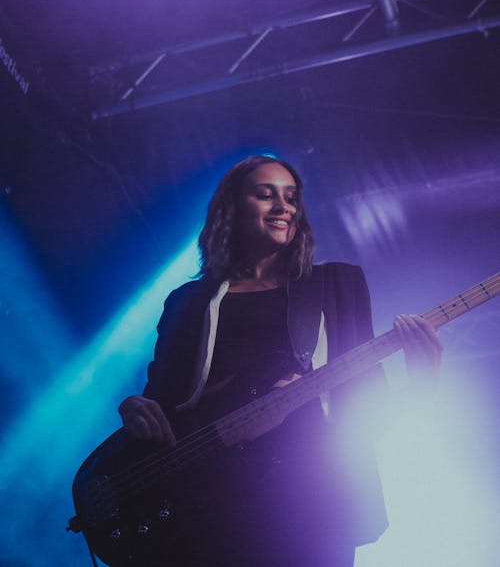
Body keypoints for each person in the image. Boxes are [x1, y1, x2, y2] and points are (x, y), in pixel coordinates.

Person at [118, 155, 442, 567]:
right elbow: (161, 406)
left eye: (291, 198)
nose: (283, 207)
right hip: (208, 502)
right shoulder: (187, 302)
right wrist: (134, 409)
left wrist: (421, 384)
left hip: (312, 502)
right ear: (232, 208)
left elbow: (365, 410)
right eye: (265, 195)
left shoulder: (338, 285)